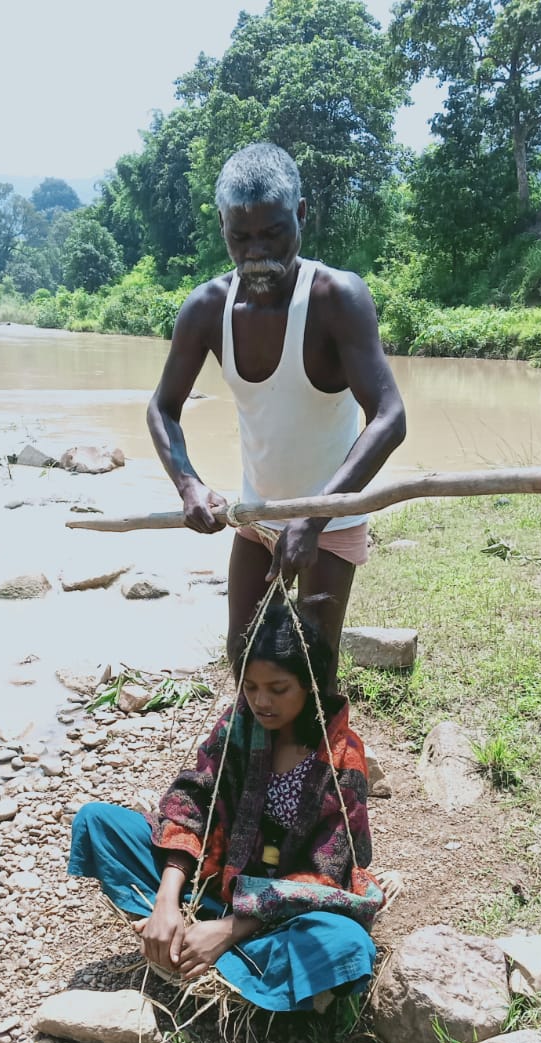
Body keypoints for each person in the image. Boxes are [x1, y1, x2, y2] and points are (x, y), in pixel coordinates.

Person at [147, 142, 407, 683]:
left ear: (302, 215)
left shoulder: (337, 298)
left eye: (273, 233)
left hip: (330, 521)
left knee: (313, 670)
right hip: (255, 517)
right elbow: (163, 408)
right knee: (245, 661)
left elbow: (389, 416)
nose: (256, 253)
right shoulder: (206, 309)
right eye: (240, 238)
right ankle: (252, 767)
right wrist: (189, 486)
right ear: (222, 226)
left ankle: (324, 767)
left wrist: (313, 519)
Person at [68, 602, 385, 1012]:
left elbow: (329, 874)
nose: (260, 701)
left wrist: (230, 929)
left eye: (278, 688)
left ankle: (217, 947)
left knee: (348, 945)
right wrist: (168, 899)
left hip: (287, 908)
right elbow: (189, 804)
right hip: (217, 883)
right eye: (250, 687)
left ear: (309, 684)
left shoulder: (342, 756)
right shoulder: (236, 725)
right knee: (99, 823)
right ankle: (185, 933)